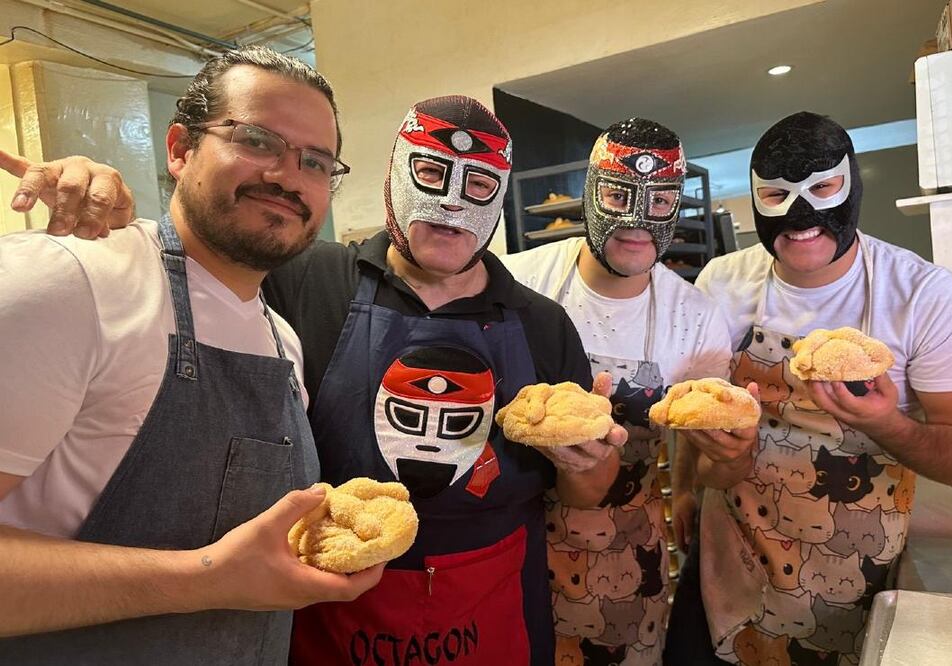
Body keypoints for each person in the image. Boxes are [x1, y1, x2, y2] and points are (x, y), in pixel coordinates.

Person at [7, 93, 626, 666]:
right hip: (324, 603)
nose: (452, 203)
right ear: (393, 178)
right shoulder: (302, 277)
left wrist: (587, 461)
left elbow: (585, 495)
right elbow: (197, 257)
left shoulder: (541, 323)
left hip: (492, 608)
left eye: (480, 184)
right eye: (431, 174)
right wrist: (104, 200)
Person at [0, 46, 384, 665]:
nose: (288, 177)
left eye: (314, 161)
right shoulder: (69, 282)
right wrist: (203, 579)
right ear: (180, 149)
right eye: (257, 140)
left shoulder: (282, 342)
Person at [664, 111, 952, 666]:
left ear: (852, 185)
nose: (801, 216)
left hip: (849, 574)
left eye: (822, 189)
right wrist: (686, 488)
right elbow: (703, 406)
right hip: (728, 560)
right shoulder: (722, 282)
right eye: (776, 195)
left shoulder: (925, 296)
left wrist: (886, 423)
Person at [501, 117, 757, 665]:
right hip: (510, 534)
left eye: (659, 201)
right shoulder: (516, 282)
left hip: (625, 545)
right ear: (590, 192)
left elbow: (701, 449)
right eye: (618, 195)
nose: (637, 220)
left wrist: (724, 462)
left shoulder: (694, 316)